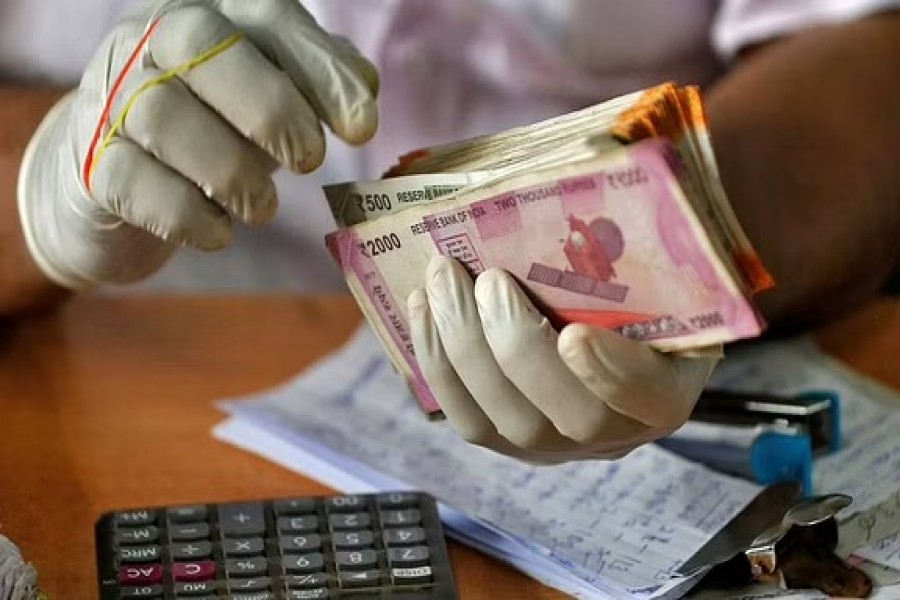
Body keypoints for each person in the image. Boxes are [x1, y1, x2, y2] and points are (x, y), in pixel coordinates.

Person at [2, 0, 899, 464]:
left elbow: (858, 57)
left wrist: (691, 250)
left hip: (670, 366)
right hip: (130, 364)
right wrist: (39, 191)